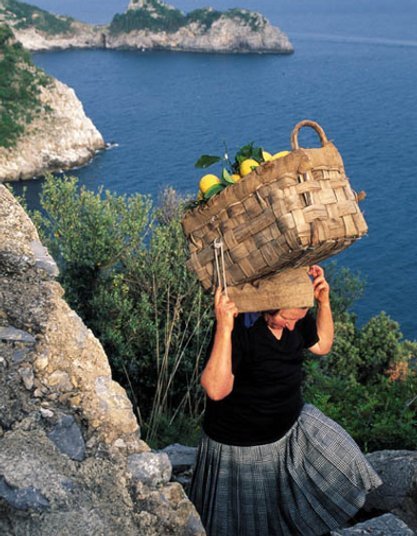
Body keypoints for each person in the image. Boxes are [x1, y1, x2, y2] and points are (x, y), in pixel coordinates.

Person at [189, 265, 382, 536]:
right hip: (243, 446)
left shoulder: (297, 315)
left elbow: (322, 345)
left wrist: (323, 303)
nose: (293, 325)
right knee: (247, 528)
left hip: (291, 430)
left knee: (346, 463)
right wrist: (223, 327)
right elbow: (215, 389)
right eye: (286, 319)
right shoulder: (240, 328)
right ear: (269, 305)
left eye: (298, 318)